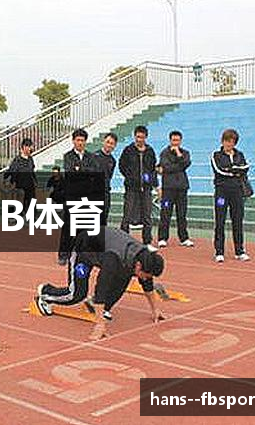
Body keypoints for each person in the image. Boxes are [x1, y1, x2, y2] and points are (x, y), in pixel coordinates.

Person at [36, 227, 166, 341]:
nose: (145, 278)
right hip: (82, 252)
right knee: (77, 294)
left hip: (102, 249)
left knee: (124, 277)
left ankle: (95, 305)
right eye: (145, 275)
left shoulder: (144, 256)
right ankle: (45, 293)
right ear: (138, 265)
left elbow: (147, 284)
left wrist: (155, 310)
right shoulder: (113, 260)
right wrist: (100, 324)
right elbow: (101, 289)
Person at [58, 128, 99, 265]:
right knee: (68, 226)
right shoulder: (68, 156)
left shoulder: (91, 157)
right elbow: (70, 173)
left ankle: (82, 253)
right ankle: (64, 254)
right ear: (73, 141)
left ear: (86, 142)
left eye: (82, 140)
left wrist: (80, 169)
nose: (80, 142)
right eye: (78, 140)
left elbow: (94, 173)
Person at [211, 128, 251, 263]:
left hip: (237, 192)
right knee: (220, 221)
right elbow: (219, 171)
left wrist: (234, 170)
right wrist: (235, 171)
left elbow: (245, 168)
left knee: (238, 221)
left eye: (232, 142)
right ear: (222, 141)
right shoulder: (216, 155)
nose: (229, 144)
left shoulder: (240, 155)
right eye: (227, 141)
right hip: (221, 193)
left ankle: (239, 251)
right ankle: (219, 251)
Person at [119, 126, 158, 246]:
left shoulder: (150, 151)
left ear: (146, 137)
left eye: (142, 137)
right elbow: (122, 166)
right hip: (131, 188)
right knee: (127, 215)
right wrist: (130, 177)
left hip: (146, 188)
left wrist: (154, 184)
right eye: (137, 137)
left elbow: (153, 169)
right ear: (134, 136)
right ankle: (123, 242)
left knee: (147, 216)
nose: (139, 139)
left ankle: (147, 242)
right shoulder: (128, 150)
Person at [157, 130, 194, 248]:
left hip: (182, 188)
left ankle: (184, 238)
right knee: (165, 213)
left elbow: (186, 163)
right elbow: (166, 167)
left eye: (177, 140)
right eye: (173, 140)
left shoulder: (185, 153)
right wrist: (179, 166)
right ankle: (162, 238)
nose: (175, 142)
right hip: (168, 188)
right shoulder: (164, 153)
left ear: (181, 141)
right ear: (170, 140)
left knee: (182, 214)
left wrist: (178, 154)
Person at [4, 138, 37, 215]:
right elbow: (12, 171)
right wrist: (10, 181)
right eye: (30, 147)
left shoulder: (30, 159)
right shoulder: (17, 160)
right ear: (24, 147)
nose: (31, 149)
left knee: (31, 202)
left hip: (30, 184)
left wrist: (35, 181)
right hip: (20, 184)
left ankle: (31, 216)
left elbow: (32, 171)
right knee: (19, 201)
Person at [93, 132, 118, 223]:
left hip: (105, 193)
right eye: (108, 142)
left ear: (115, 146)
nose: (109, 145)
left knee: (103, 219)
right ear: (103, 142)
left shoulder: (112, 161)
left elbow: (109, 176)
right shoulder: (94, 156)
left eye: (112, 143)